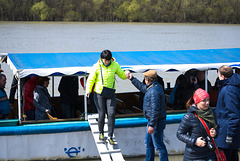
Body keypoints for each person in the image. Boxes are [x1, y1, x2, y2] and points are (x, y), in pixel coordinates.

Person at [85, 49, 128, 145]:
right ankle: (101, 133)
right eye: (105, 60)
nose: (107, 62)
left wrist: (127, 73)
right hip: (99, 94)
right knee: (102, 114)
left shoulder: (115, 65)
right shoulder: (96, 66)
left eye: (108, 60)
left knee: (112, 114)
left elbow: (122, 75)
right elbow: (91, 79)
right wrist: (88, 90)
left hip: (111, 94)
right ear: (101, 59)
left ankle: (110, 136)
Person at [126, 70, 168, 161]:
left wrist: (152, 125)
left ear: (147, 79)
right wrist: (131, 78)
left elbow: (155, 110)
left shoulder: (153, 91)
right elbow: (142, 88)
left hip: (156, 122)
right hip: (153, 121)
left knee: (159, 145)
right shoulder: (154, 86)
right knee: (149, 143)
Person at [176, 88, 217, 161]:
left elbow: (218, 128)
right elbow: (180, 134)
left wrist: (215, 132)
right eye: (204, 101)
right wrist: (195, 141)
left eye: (208, 100)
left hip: (210, 153)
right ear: (197, 102)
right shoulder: (189, 116)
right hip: (194, 155)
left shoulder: (211, 113)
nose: (207, 103)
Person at [215, 65, 240, 161]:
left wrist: (230, 134)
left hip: (226, 132)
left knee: (226, 156)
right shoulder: (234, 85)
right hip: (229, 129)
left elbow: (234, 113)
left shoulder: (228, 89)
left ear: (222, 76)